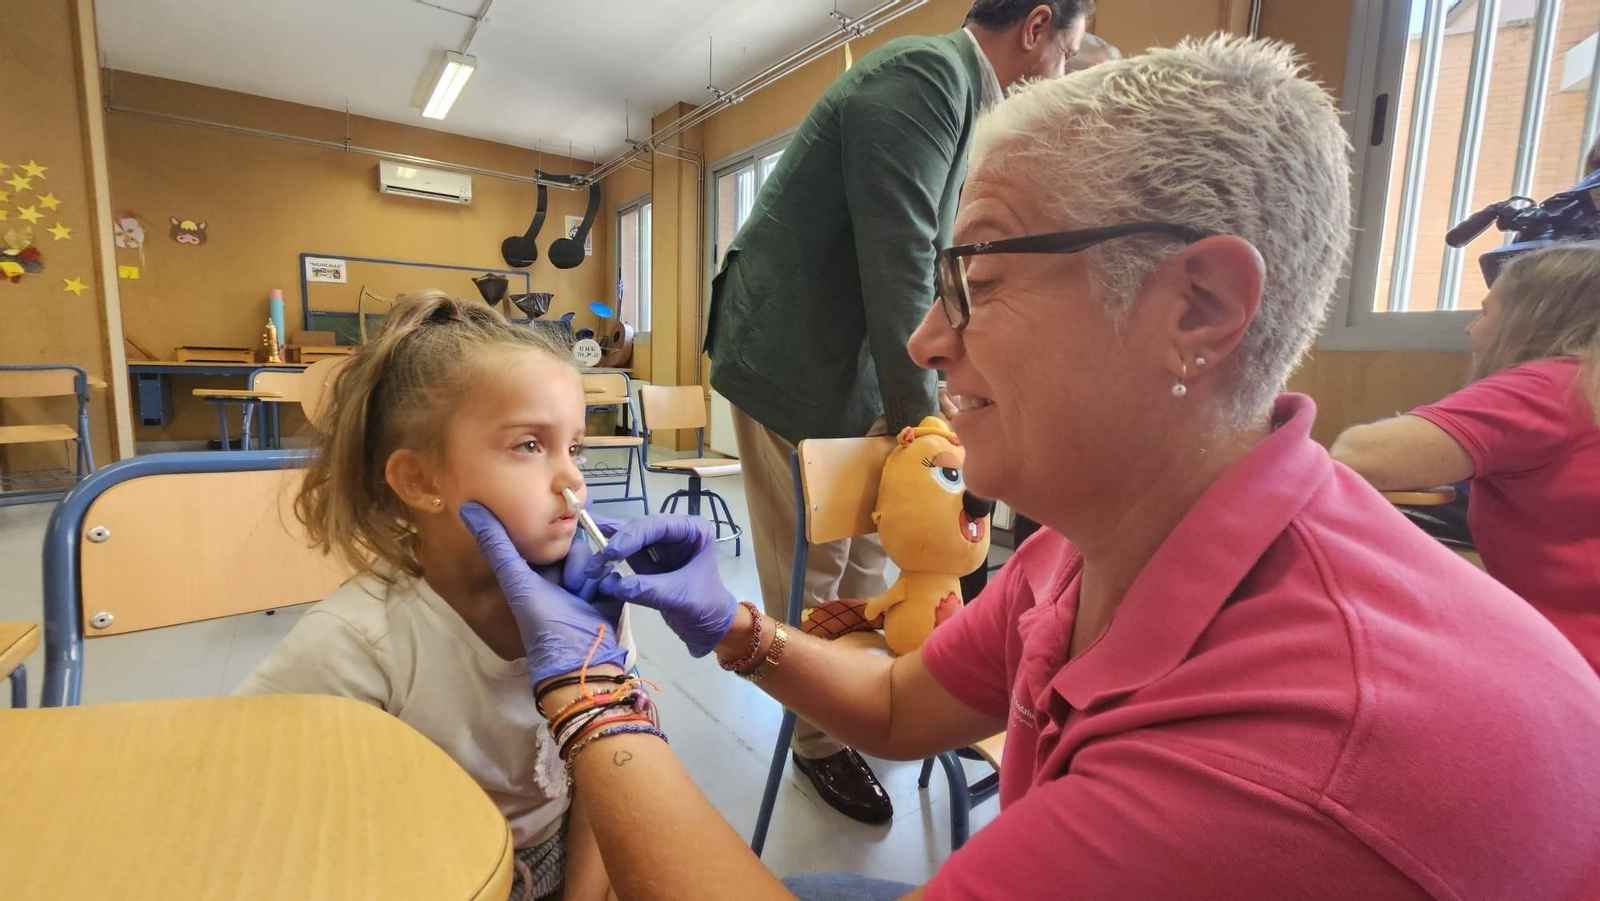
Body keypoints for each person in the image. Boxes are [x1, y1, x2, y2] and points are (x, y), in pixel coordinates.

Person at [464, 36, 1600, 899]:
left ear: (1198, 308)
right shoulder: (1092, 538)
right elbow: (903, 702)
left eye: (980, 280)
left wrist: (591, 693)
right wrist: (736, 626)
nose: (925, 340)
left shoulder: (1282, 754)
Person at [703, 0, 1090, 824]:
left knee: (878, 550)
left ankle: (859, 700)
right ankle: (816, 739)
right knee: (814, 561)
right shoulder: (925, 77)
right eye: (1069, 52)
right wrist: (933, 422)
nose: (1061, 71)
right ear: (1036, 27)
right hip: (792, 360)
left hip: (859, 362)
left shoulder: (968, 104)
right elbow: (904, 258)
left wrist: (929, 408)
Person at [238, 292, 626, 901]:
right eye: (529, 445)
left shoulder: (591, 608)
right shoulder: (359, 641)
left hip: (563, 856)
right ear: (420, 481)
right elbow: (241, 784)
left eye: (573, 447)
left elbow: (609, 778)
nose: (573, 477)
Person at [1331, 241, 1600, 671]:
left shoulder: (1550, 387)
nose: (1471, 329)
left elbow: (1358, 455)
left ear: (1527, 320)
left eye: (1485, 313)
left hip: (1573, 661)